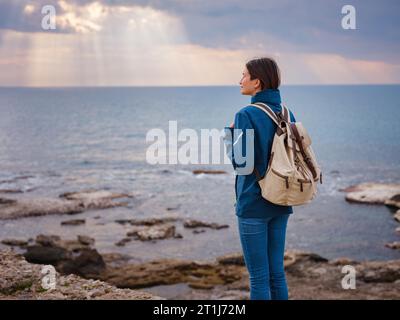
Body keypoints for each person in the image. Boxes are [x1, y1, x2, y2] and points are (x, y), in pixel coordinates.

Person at [223, 57, 296, 300]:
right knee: (277, 274)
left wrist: (229, 133)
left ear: (257, 82)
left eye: (244, 75)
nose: (240, 80)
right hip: (282, 201)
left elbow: (242, 165)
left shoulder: (246, 115)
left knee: (258, 278)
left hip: (254, 204)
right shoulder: (287, 113)